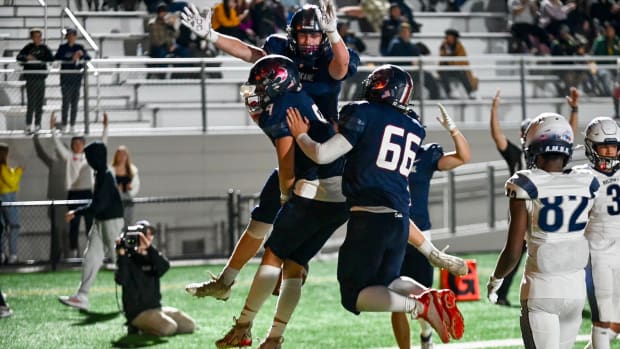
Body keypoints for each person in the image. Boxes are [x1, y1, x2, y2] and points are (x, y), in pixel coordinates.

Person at [182, 0, 359, 300]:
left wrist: (334, 34)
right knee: (261, 220)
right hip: (295, 140)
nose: (307, 40)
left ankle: (292, 268)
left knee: (290, 226)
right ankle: (227, 281)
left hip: (320, 151)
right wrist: (211, 36)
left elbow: (341, 67)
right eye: (302, 35)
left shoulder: (330, 53)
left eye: (314, 35)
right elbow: (253, 55)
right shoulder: (280, 55)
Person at [286, 65, 465, 345]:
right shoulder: (414, 128)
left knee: (354, 295)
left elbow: (322, 154)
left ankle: (422, 306)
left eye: (379, 82)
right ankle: (427, 296)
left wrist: (300, 135)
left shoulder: (365, 112)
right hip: (398, 220)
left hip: (370, 217)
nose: (373, 85)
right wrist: (432, 253)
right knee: (388, 281)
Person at [210, 55, 349, 348]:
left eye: (261, 85)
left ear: (277, 83)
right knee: (294, 264)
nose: (257, 91)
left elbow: (287, 167)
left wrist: (288, 199)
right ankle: (274, 338)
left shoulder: (283, 107)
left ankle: (243, 328)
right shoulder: (300, 98)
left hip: (317, 187)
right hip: (342, 193)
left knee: (273, 255)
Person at [487, 112, 599, 349]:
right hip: (575, 291)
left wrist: (495, 279)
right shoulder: (587, 182)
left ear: (533, 147)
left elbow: (513, 251)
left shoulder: (525, 184)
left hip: (542, 289)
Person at [489, 88, 579, 306]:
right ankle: (503, 294)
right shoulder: (581, 178)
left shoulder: (532, 172)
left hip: (537, 211)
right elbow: (568, 137)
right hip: (533, 210)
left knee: (519, 251)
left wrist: (574, 110)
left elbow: (567, 136)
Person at [391, 104, 471, 349]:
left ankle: (426, 334)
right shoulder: (383, 154)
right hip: (390, 233)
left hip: (420, 236)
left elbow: (463, 157)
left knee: (424, 294)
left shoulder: (425, 156)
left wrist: (453, 129)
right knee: (395, 298)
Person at [58, 140, 124, 311]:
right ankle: (82, 296)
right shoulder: (101, 173)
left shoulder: (105, 175)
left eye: (89, 156)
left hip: (111, 221)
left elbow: (98, 205)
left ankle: (134, 297)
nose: (87, 160)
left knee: (120, 259)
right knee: (91, 258)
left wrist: (76, 212)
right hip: (102, 221)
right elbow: (98, 205)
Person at [577, 117, 620, 349]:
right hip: (596, 254)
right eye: (604, 146)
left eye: (614, 147)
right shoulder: (581, 176)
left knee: (615, 323)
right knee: (602, 320)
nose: (610, 153)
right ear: (591, 148)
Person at [115, 221, 195, 336]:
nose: (147, 238)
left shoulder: (151, 256)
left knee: (189, 325)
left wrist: (149, 249)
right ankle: (135, 326)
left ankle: (148, 325)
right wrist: (122, 256)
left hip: (155, 308)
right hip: (138, 312)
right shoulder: (127, 259)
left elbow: (165, 267)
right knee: (169, 327)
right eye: (143, 235)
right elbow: (121, 280)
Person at [51, 112, 108, 258]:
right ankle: (73, 251)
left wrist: (105, 128)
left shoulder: (90, 156)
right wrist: (52, 128)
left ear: (83, 145)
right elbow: (57, 144)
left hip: (88, 193)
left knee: (90, 224)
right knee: (74, 224)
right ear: (72, 146)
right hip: (74, 193)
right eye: (74, 143)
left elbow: (103, 145)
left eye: (80, 143)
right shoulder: (69, 157)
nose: (77, 145)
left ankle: (90, 251)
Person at [34, 124, 70, 260]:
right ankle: (55, 257)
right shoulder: (53, 164)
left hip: (66, 201)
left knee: (66, 231)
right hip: (54, 202)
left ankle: (68, 256)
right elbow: (41, 154)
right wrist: (35, 138)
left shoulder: (69, 164)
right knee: (56, 232)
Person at [16, 28, 54, 134]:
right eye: (35, 36)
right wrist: (27, 57)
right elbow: (19, 57)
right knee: (31, 103)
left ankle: (38, 124)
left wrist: (40, 59)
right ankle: (28, 125)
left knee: (39, 103)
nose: (38, 39)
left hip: (40, 78)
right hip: (31, 78)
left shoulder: (44, 48)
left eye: (39, 36)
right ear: (32, 38)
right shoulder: (28, 47)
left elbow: (51, 58)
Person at [54, 28, 91, 134]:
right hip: (66, 79)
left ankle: (72, 125)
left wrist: (82, 55)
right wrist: (72, 58)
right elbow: (57, 57)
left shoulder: (79, 47)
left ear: (75, 36)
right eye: (69, 35)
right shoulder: (63, 48)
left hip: (76, 79)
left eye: (73, 35)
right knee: (66, 103)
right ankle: (64, 124)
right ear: (67, 37)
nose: (71, 37)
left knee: (74, 103)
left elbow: (88, 57)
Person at [0, 143, 23, 265]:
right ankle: (13, 255)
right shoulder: (2, 168)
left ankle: (2, 254)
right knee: (14, 226)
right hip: (7, 197)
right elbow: (12, 182)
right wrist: (19, 171)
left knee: (2, 227)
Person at [111, 145, 140, 225]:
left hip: (128, 199)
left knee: (127, 223)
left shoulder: (132, 169)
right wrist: (116, 190)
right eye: (119, 154)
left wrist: (130, 189)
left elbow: (136, 185)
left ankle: (127, 237)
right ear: (116, 156)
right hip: (114, 200)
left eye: (124, 154)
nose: (122, 156)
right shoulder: (111, 170)